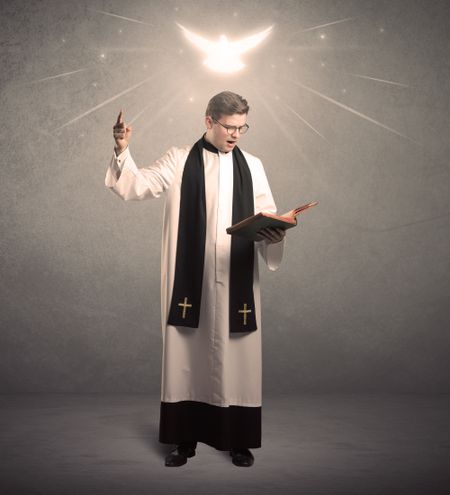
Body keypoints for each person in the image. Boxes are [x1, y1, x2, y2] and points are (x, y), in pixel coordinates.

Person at [105, 91, 286, 467]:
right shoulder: (178, 159)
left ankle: (237, 440)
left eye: (242, 127)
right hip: (192, 284)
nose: (236, 134)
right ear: (209, 121)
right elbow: (137, 186)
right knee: (187, 359)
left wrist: (275, 233)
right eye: (229, 127)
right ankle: (184, 441)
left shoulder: (252, 166)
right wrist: (123, 150)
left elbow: (267, 214)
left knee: (238, 360)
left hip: (236, 281)